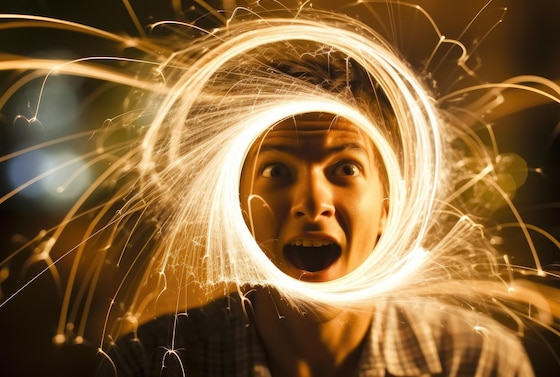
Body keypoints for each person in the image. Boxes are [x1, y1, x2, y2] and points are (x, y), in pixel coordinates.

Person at [95, 28, 535, 377]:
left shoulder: (478, 365)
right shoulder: (151, 364)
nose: (312, 202)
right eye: (277, 171)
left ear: (388, 206)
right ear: (240, 209)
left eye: (345, 169)